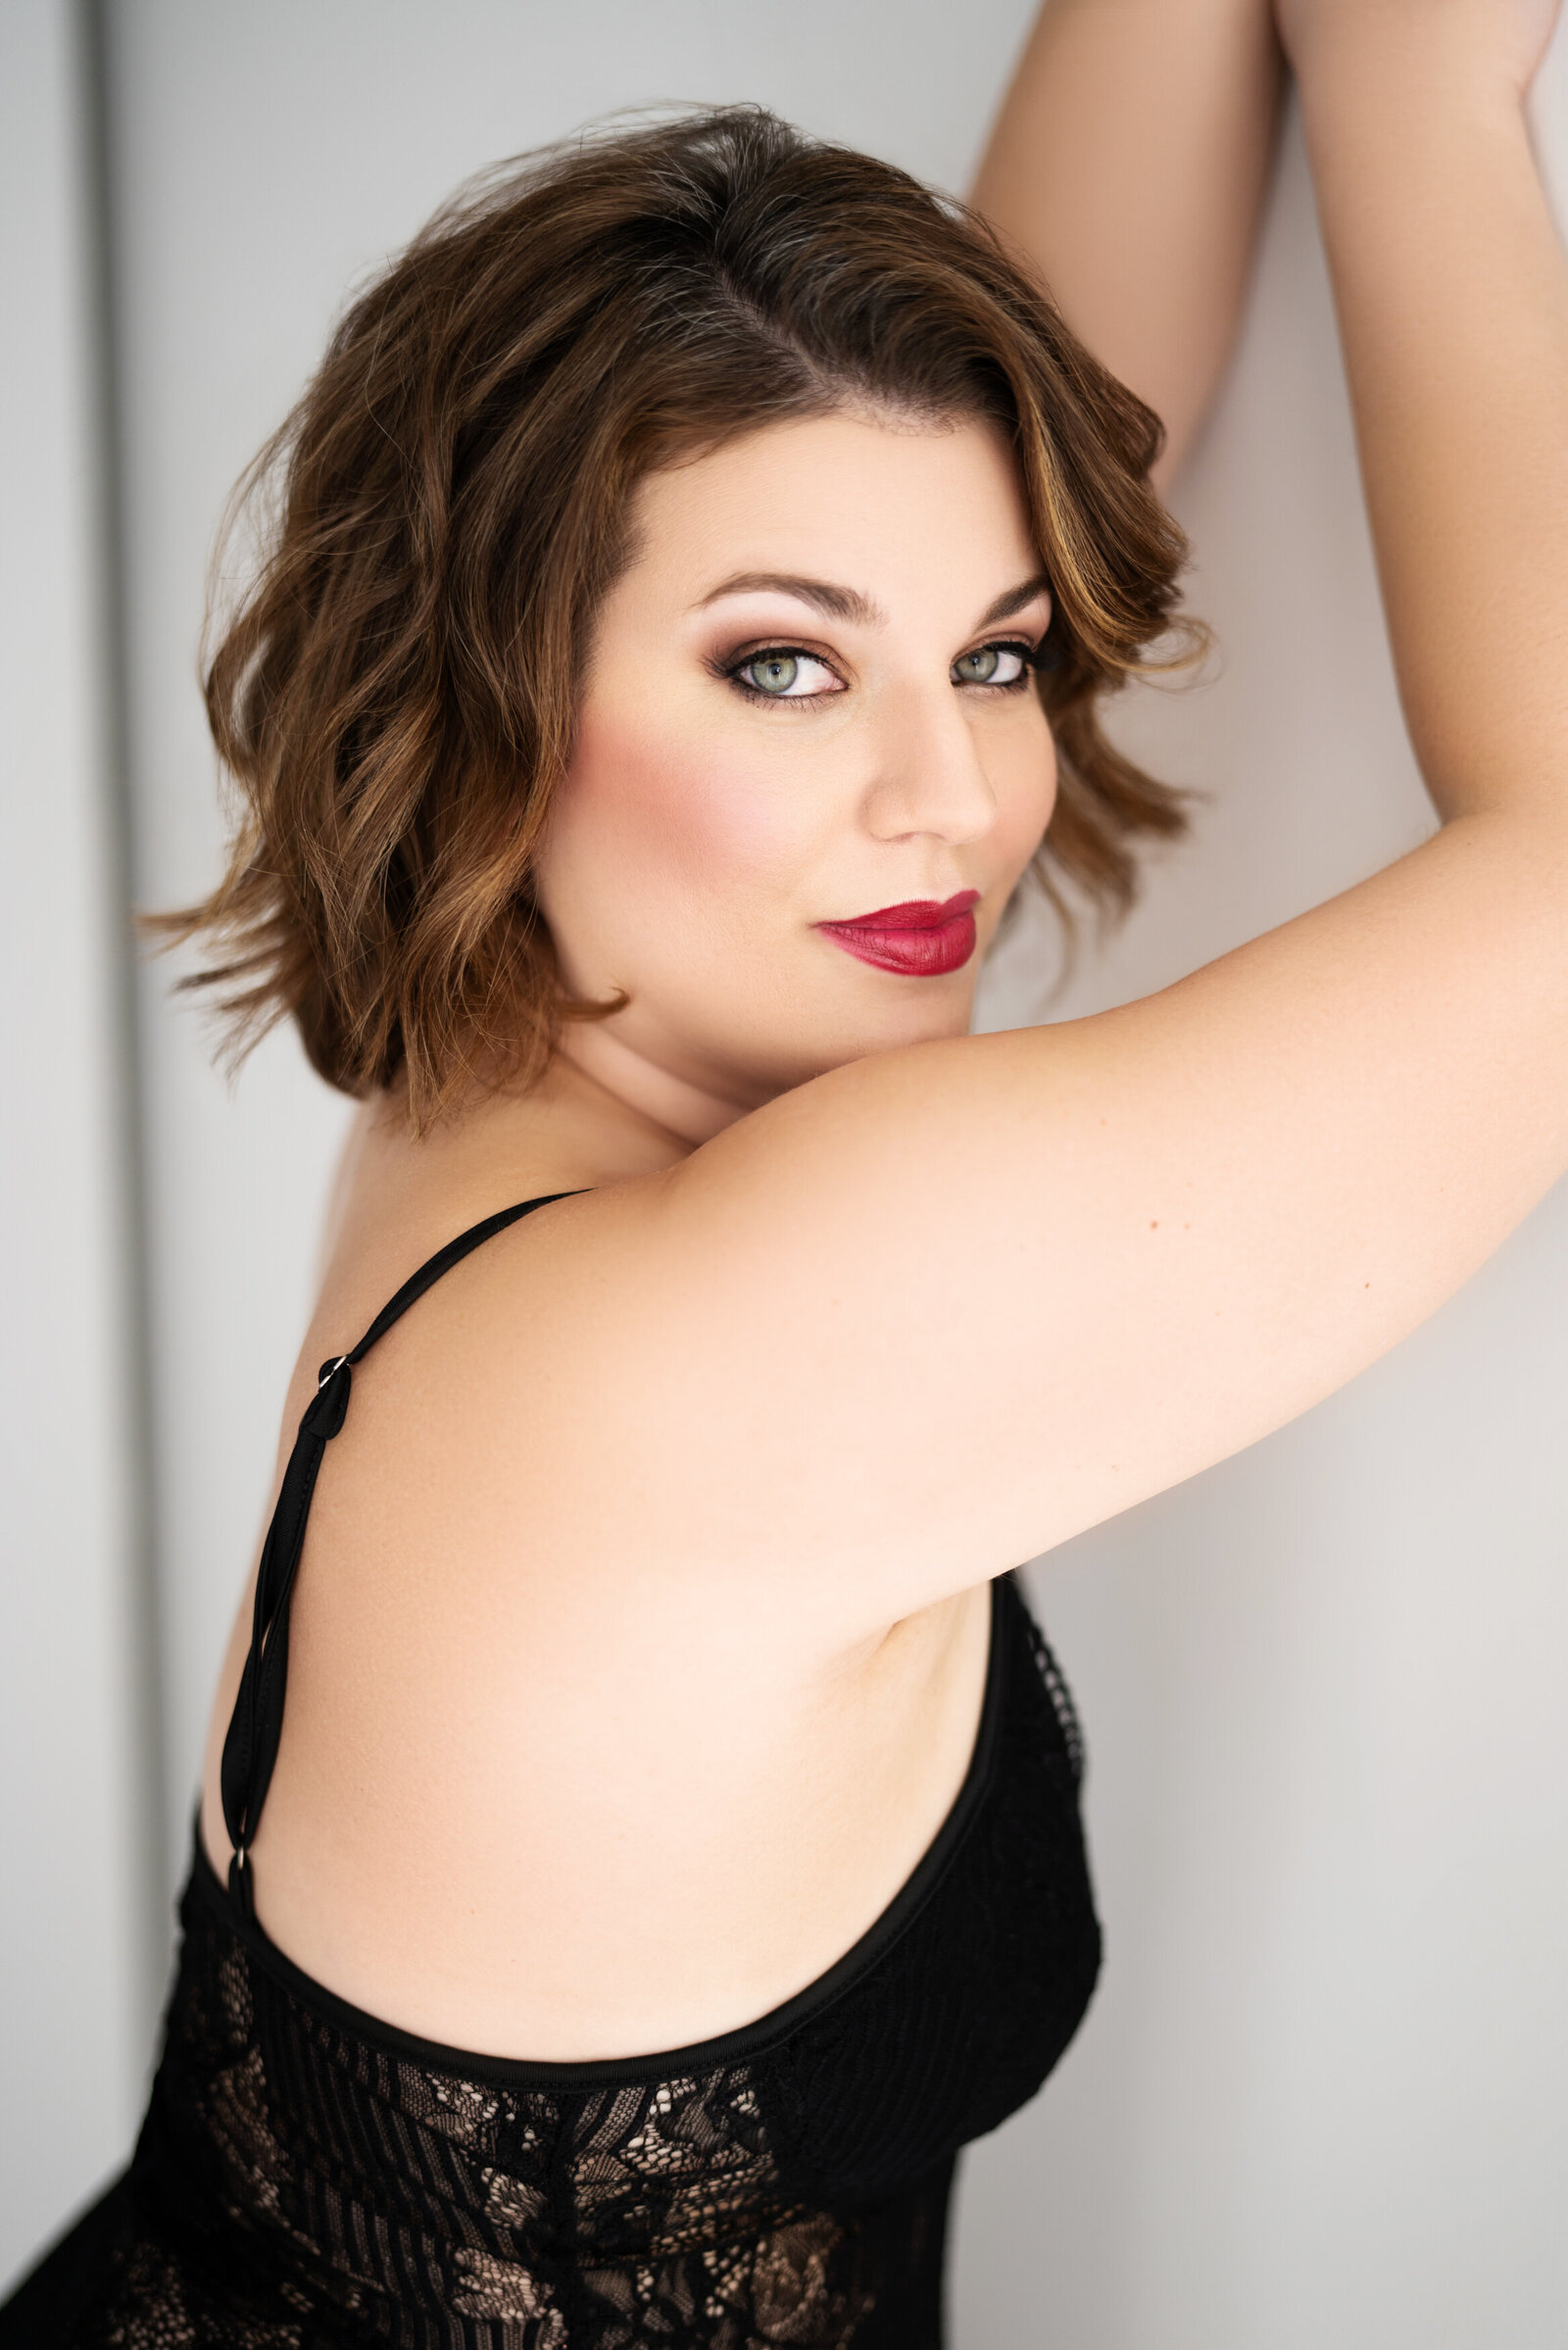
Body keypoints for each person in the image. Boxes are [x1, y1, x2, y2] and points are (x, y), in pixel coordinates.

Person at [6, 0, 1566, 2338]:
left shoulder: (516, 1037)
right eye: (778, 672)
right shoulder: (742, 1320)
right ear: (500, 690)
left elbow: (927, 461)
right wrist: (1426, 103)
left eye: (1001, 657)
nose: (949, 795)